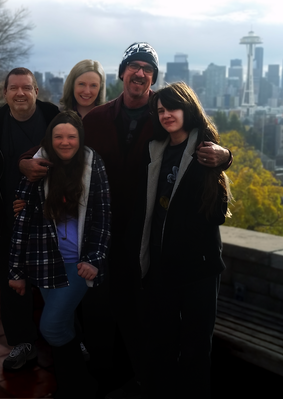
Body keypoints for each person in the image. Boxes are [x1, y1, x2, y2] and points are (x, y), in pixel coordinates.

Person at [32, 42, 232, 398]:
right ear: (122, 72)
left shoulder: (163, 115)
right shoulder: (95, 119)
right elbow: (60, 151)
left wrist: (226, 156)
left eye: (148, 69)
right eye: (134, 66)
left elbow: (198, 142)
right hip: (97, 233)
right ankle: (102, 377)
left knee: (143, 318)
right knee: (99, 312)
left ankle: (141, 380)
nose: (140, 74)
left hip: (146, 238)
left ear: (153, 78)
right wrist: (26, 172)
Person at [135, 82, 231, 398]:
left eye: (172, 108)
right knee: (160, 342)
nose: (166, 115)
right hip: (160, 264)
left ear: (187, 108)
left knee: (195, 348)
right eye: (160, 110)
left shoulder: (205, 149)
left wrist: (225, 160)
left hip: (197, 269)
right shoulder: (157, 149)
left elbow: (216, 213)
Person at [9, 111, 110, 398]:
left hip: (77, 265)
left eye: (71, 136)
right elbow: (22, 223)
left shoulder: (92, 165)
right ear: (50, 140)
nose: (65, 142)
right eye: (59, 137)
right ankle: (73, 387)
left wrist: (94, 258)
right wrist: (16, 272)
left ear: (80, 139)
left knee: (51, 327)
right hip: (44, 262)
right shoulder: (37, 166)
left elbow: (103, 217)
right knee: (62, 325)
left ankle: (80, 384)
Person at [0, 67, 59, 371]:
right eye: (13, 88)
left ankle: (69, 338)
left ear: (37, 91)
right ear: (5, 93)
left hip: (52, 219)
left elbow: (73, 160)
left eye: (26, 87)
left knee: (61, 280)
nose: (20, 93)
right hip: (9, 220)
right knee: (12, 283)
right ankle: (23, 343)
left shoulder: (54, 118)